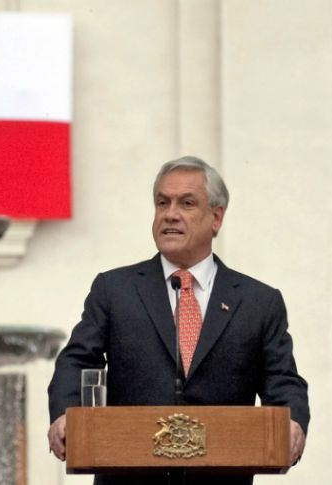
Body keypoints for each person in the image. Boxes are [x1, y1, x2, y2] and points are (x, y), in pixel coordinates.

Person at [46, 156, 309, 485]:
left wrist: (293, 422)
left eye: (186, 203)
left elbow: (283, 381)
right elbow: (77, 360)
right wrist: (66, 414)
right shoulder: (114, 290)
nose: (170, 214)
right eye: (162, 202)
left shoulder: (258, 302)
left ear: (216, 217)